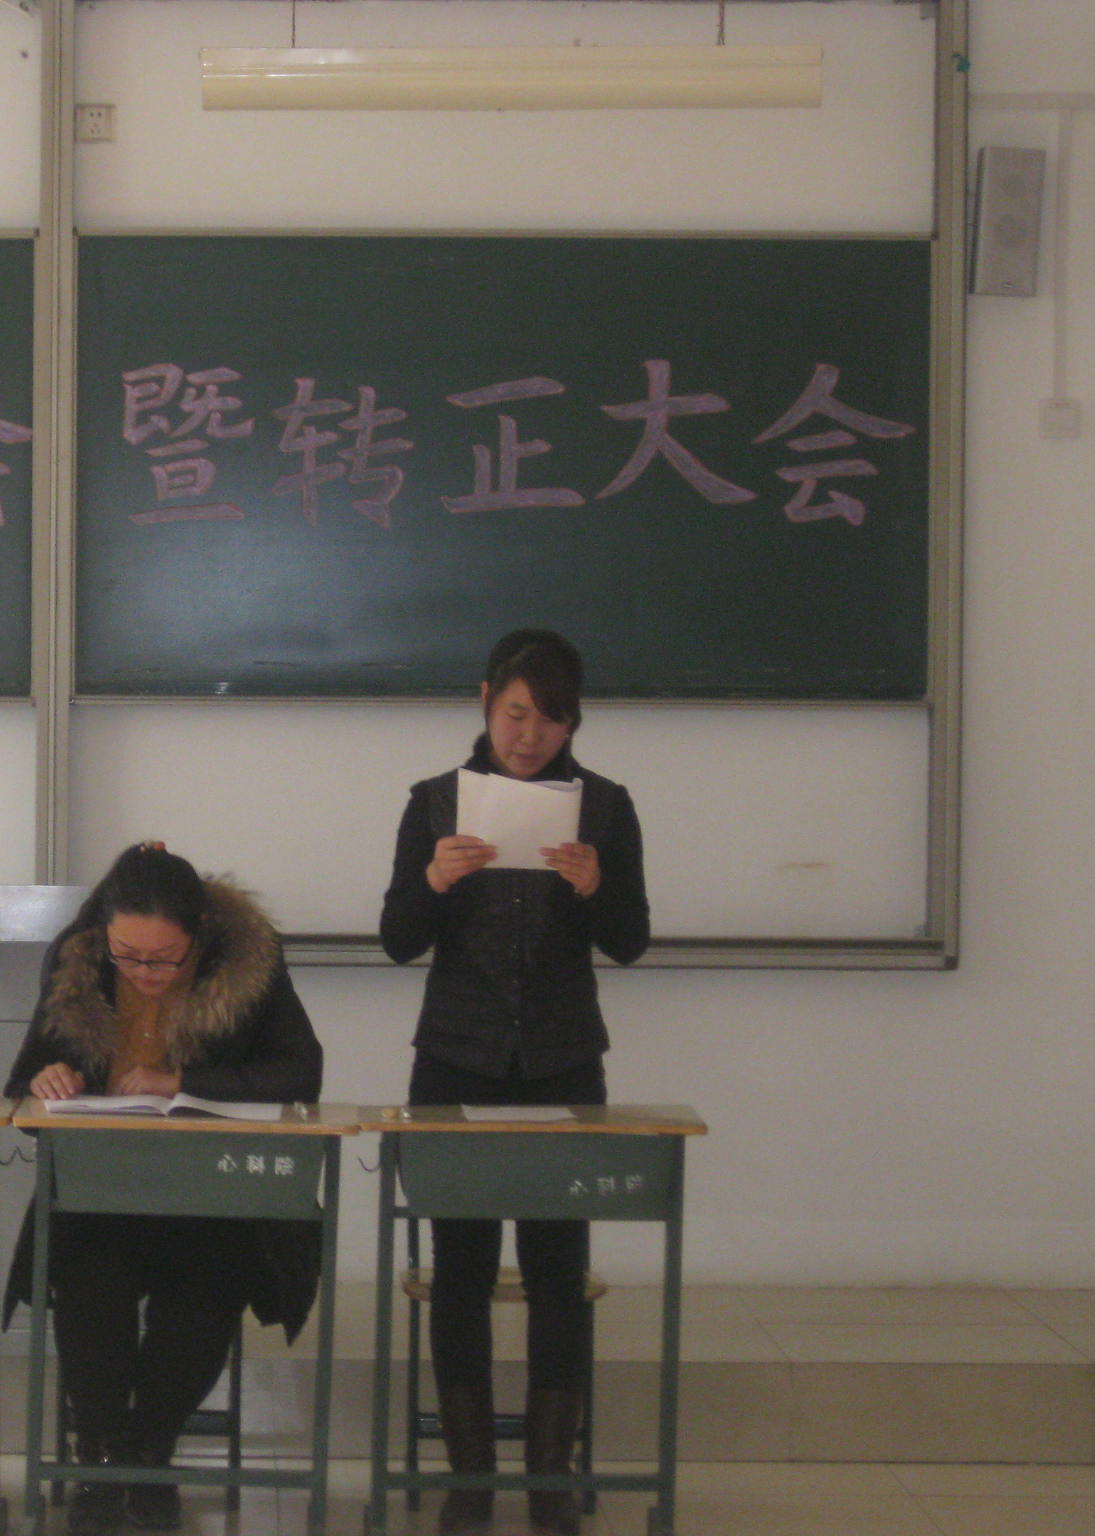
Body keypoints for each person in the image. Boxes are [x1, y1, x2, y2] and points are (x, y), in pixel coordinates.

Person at [379, 630, 649, 1536]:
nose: (530, 736)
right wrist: (433, 877)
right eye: (517, 713)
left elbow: (631, 940)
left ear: (575, 721)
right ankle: (469, 1480)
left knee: (556, 1271)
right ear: (486, 702)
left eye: (551, 718)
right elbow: (397, 939)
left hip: (563, 1064)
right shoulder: (433, 801)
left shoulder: (605, 807)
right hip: (454, 1061)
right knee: (458, 1270)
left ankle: (549, 1478)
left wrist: (597, 887)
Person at [3, 844, 322, 1536]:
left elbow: (301, 1073)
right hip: (100, 1189)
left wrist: (185, 1082)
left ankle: (148, 1452)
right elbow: (21, 1082)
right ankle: (98, 1457)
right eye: (129, 956)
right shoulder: (77, 961)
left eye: (164, 959)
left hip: (209, 1197)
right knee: (88, 1292)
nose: (145, 973)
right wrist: (48, 1079)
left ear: (199, 936)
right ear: (104, 935)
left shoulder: (248, 962)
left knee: (205, 1299)